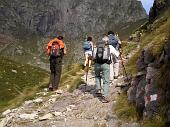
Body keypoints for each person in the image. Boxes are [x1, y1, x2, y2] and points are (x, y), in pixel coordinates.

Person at [93, 37, 119, 103]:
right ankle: (104, 96)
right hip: (105, 64)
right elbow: (116, 55)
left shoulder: (97, 46)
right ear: (108, 41)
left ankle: (98, 90)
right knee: (106, 81)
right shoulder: (109, 47)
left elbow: (92, 56)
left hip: (96, 64)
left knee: (97, 76)